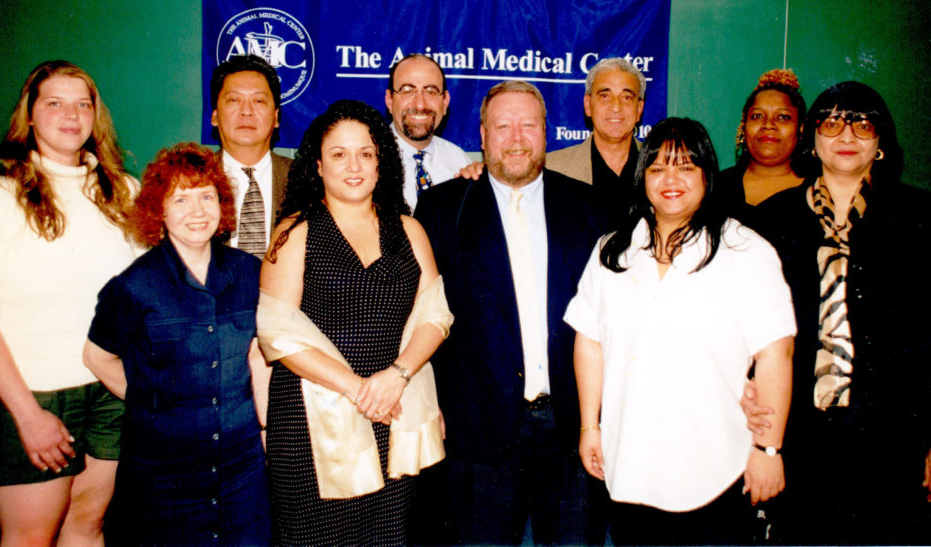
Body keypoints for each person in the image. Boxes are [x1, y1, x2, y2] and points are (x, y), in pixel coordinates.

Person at [745, 81, 931, 545]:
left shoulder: (922, 215)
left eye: (862, 123)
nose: (846, 135)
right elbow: (750, 331)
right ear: (813, 139)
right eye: (831, 122)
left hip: (897, 437)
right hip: (802, 436)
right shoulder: (772, 219)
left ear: (881, 143)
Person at [564, 117, 795, 545]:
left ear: (708, 174)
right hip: (629, 465)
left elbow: (775, 354)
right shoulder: (612, 252)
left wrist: (768, 450)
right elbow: (590, 342)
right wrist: (589, 427)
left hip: (715, 469)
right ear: (642, 177)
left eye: (686, 166)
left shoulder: (745, 252)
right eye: (657, 168)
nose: (671, 179)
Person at [415, 81, 605, 545]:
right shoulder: (443, 207)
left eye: (529, 125)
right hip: (476, 433)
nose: (516, 137)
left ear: (546, 133)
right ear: (481, 134)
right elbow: (422, 313)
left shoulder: (589, 207)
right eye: (503, 126)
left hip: (570, 432)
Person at [0, 60, 137, 545]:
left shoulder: (124, 194)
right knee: (31, 537)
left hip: (109, 392)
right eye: (54, 103)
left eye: (83, 104)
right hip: (30, 397)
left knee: (88, 527)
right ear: (30, 116)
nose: (71, 115)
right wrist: (29, 417)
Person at [257, 99, 451, 546]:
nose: (354, 165)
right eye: (339, 154)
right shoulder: (295, 233)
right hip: (312, 421)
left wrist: (396, 377)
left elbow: (434, 314)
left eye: (366, 153)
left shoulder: (409, 229)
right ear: (318, 165)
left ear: (381, 162)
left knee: (389, 536)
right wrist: (359, 390)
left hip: (395, 409)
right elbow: (276, 330)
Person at [83, 143, 271, 546]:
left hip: (241, 465)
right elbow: (96, 356)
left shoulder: (249, 273)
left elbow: (257, 357)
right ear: (159, 210)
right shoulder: (134, 286)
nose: (197, 211)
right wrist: (153, 402)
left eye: (207, 196)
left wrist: (266, 430)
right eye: (181, 199)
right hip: (163, 470)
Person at [209, 54, 291, 258]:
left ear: (276, 117)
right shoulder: (191, 180)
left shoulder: (305, 180)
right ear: (215, 116)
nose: (247, 111)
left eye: (259, 100)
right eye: (234, 100)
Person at [546, 57, 646, 223]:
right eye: (605, 96)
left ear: (639, 109)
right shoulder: (549, 169)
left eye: (626, 97)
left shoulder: (660, 167)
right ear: (588, 105)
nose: (616, 107)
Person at [717, 68, 806, 227]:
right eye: (757, 116)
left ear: (800, 129)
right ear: (744, 126)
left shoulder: (819, 191)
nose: (768, 125)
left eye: (783, 117)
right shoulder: (716, 187)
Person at [385, 53, 471, 211]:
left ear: (445, 102)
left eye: (430, 91)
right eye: (407, 91)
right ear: (389, 100)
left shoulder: (459, 162)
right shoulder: (368, 159)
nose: (419, 104)